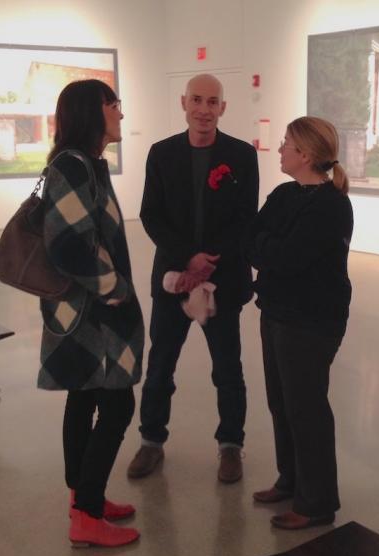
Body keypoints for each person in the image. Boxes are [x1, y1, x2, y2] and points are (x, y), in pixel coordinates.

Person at [128, 74, 259, 483]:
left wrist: (209, 261)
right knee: (161, 364)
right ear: (184, 103)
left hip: (223, 276)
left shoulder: (241, 154)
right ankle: (151, 441)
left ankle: (231, 446)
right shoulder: (161, 153)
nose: (204, 109)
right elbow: (151, 214)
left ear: (223, 107)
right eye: (197, 100)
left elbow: (245, 218)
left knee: (227, 369)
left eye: (212, 101)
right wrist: (189, 257)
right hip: (173, 277)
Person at [38, 79, 145, 548]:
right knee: (118, 403)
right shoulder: (74, 167)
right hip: (91, 314)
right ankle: (86, 510)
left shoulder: (87, 164)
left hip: (86, 312)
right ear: (92, 111)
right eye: (113, 104)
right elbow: (68, 245)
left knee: (84, 397)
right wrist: (115, 289)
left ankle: (86, 498)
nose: (121, 112)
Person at [246, 116, 353, 530]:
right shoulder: (285, 194)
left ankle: (317, 502)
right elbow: (251, 238)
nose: (280, 148)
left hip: (311, 320)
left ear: (305, 154)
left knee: (306, 408)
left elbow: (286, 258)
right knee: (282, 402)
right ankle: (290, 479)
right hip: (276, 311)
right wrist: (269, 249)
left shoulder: (329, 205)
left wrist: (267, 249)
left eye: (286, 143)